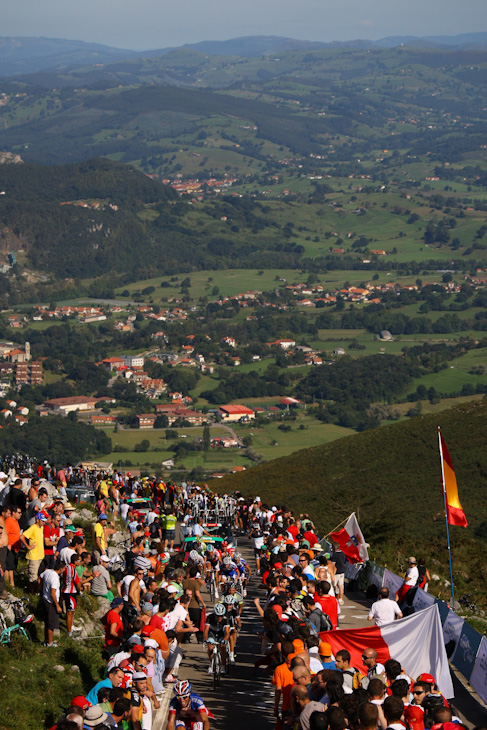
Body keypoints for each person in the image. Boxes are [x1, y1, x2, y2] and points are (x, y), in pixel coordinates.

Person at [40, 559, 64, 647]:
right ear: (60, 569)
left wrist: (41, 589)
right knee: (51, 623)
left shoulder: (48, 572)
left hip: (45, 599)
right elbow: (53, 594)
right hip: (51, 602)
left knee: (46, 622)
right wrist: (57, 606)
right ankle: (50, 642)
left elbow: (40, 577)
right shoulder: (55, 578)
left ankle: (46, 640)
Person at [20, 511, 47, 592]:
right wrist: (27, 546)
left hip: (40, 555)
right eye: (42, 521)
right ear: (37, 520)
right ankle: (31, 592)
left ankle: (36, 590)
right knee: (33, 577)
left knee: (38, 575)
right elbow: (22, 537)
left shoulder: (41, 528)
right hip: (33, 556)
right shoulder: (33, 527)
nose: (44, 522)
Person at [203, 602, 231, 673]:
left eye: (221, 616)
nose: (219, 618)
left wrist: (224, 640)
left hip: (221, 633)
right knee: (210, 647)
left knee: (222, 647)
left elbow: (227, 633)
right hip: (212, 632)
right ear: (214, 614)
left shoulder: (225, 619)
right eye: (217, 616)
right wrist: (206, 639)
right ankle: (211, 663)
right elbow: (206, 631)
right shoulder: (210, 617)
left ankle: (223, 666)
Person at [62, 553, 82, 637]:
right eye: (79, 561)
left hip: (66, 590)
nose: (80, 562)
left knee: (71, 611)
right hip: (70, 592)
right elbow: (77, 582)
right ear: (75, 561)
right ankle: (69, 632)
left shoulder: (66, 567)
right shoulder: (72, 569)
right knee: (70, 612)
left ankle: (71, 626)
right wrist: (80, 587)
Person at [4, 504, 22, 586]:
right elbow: (5, 533)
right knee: (8, 568)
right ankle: (8, 584)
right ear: (13, 513)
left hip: (15, 548)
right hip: (10, 548)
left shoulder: (16, 522)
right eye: (19, 512)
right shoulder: (9, 521)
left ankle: (11, 584)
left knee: (12, 568)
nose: (20, 514)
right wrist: (8, 544)